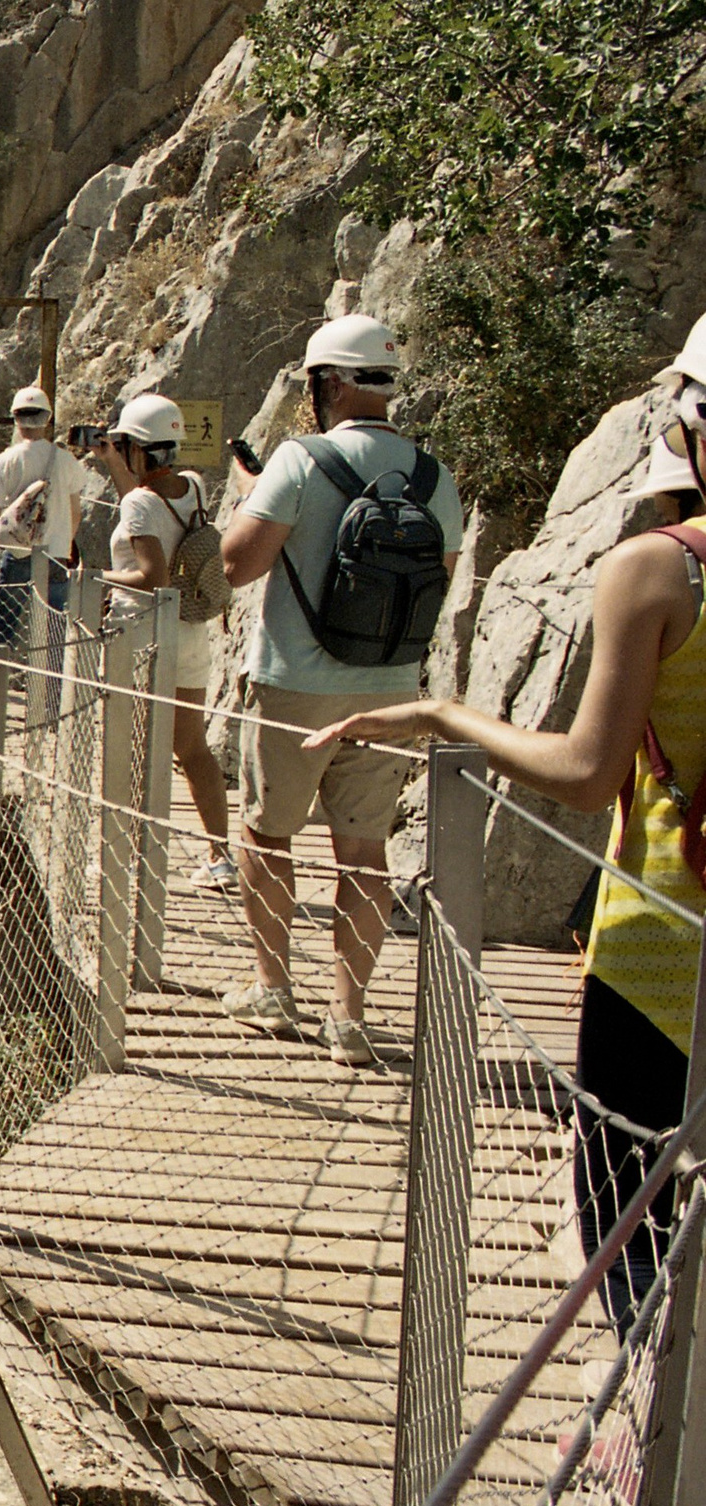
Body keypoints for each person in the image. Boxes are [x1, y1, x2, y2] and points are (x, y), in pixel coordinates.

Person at [305, 315, 706, 1332]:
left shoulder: (660, 570)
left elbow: (583, 773)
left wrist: (444, 715)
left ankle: (643, 1431)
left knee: (636, 1217)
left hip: (663, 944)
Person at [219, 314, 465, 1065]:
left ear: (327, 384)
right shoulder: (433, 476)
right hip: (389, 691)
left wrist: (257, 495)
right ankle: (349, 1019)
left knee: (267, 832)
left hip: (296, 683)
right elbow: (443, 579)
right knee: (363, 851)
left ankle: (273, 989)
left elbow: (236, 565)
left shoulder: (299, 461)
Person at [93, 394, 235, 889]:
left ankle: (133, 855)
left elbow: (152, 577)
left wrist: (97, 577)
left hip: (144, 635)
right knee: (192, 748)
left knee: (136, 749)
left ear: (136, 447)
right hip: (192, 631)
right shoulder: (192, 487)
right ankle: (220, 854)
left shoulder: (137, 504)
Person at [0, 386, 95, 645]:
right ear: (48, 418)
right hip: (56, 552)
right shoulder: (65, 460)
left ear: (16, 419)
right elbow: (75, 511)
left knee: (5, 625)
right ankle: (51, 683)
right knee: (54, 629)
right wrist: (68, 542)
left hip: (18, 550)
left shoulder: (5, 460)